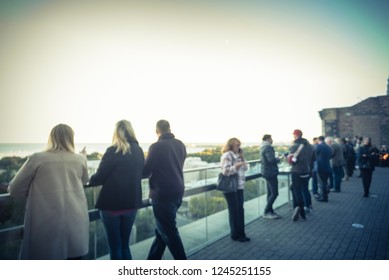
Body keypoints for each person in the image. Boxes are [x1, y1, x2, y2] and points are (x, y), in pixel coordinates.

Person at [8, 124, 89, 260]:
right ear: (71, 138)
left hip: (46, 225)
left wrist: (34, 190)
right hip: (75, 224)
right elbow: (85, 181)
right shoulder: (80, 158)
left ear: (51, 138)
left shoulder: (37, 158)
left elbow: (14, 189)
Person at [88, 120, 145, 260]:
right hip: (131, 204)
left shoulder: (113, 150)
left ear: (117, 133)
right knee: (125, 245)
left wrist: (90, 178)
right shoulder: (138, 151)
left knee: (115, 247)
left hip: (111, 206)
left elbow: (99, 178)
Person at [143, 120, 187, 259]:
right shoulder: (180, 144)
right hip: (178, 191)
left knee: (169, 232)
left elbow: (145, 171)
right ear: (169, 129)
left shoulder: (156, 147)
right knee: (162, 232)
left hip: (163, 195)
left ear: (157, 131)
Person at [220, 138, 250, 241]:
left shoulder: (239, 155)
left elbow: (246, 169)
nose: (239, 147)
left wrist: (242, 158)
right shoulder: (227, 155)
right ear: (231, 145)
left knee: (240, 210)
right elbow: (225, 171)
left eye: (240, 145)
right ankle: (235, 235)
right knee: (234, 211)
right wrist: (236, 166)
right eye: (237, 145)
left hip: (239, 187)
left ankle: (242, 234)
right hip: (230, 188)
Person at [289, 129, 315, 221]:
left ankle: (299, 208)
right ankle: (308, 206)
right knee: (304, 189)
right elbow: (313, 160)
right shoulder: (311, 147)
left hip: (296, 172)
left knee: (296, 190)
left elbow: (292, 162)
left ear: (295, 136)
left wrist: (287, 158)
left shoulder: (294, 146)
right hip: (307, 172)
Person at [260, 134, 281, 219]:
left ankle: (270, 211)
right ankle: (266, 211)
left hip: (266, 172)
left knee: (270, 193)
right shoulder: (268, 147)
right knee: (275, 193)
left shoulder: (262, 147)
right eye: (271, 138)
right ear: (268, 139)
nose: (272, 140)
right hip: (270, 172)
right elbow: (271, 160)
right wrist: (278, 159)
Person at [315, 136, 332, 202]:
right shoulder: (328, 147)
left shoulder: (318, 146)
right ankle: (324, 196)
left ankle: (323, 197)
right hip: (327, 166)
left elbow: (314, 155)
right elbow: (330, 155)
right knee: (325, 182)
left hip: (320, 167)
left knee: (321, 183)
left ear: (318, 140)